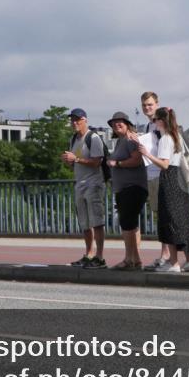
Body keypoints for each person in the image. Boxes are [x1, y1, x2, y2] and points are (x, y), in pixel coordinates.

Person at [138, 106, 189, 273]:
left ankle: (174, 263)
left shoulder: (165, 139)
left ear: (160, 121)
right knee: (182, 219)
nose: (154, 123)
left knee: (169, 220)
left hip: (169, 179)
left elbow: (164, 164)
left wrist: (147, 154)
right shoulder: (177, 136)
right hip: (180, 179)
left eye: (155, 120)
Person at [60, 108, 107, 269]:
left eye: (78, 120)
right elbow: (76, 162)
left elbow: (96, 162)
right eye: (72, 120)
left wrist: (76, 159)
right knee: (85, 223)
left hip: (93, 183)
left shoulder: (93, 138)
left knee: (97, 221)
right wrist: (70, 161)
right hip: (79, 183)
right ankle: (89, 254)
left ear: (85, 120)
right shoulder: (74, 139)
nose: (74, 123)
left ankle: (99, 257)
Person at [105, 111, 148, 270]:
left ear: (127, 123)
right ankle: (131, 259)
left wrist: (118, 164)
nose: (117, 125)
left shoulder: (130, 138)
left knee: (128, 224)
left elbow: (136, 160)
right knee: (128, 224)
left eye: (119, 122)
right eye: (114, 123)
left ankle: (133, 260)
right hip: (124, 188)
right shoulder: (121, 141)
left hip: (133, 187)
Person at [139, 91, 168, 269]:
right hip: (151, 172)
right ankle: (165, 253)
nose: (147, 108)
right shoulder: (149, 126)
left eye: (150, 104)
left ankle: (167, 254)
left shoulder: (160, 123)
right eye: (144, 105)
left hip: (161, 173)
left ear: (156, 104)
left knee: (165, 215)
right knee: (159, 214)